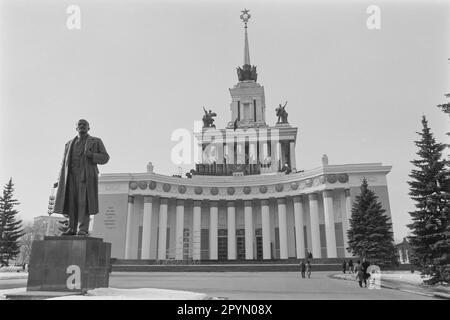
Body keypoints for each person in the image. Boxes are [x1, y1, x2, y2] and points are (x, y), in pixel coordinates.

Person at [53, 119, 110, 236]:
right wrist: (60, 179)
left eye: (85, 124)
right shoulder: (69, 144)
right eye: (80, 124)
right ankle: (71, 227)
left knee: (83, 202)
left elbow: (105, 158)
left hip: (86, 176)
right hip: (70, 177)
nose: (82, 126)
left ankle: (83, 228)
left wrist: (92, 155)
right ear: (76, 128)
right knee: (71, 202)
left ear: (89, 128)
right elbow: (63, 163)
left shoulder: (96, 141)